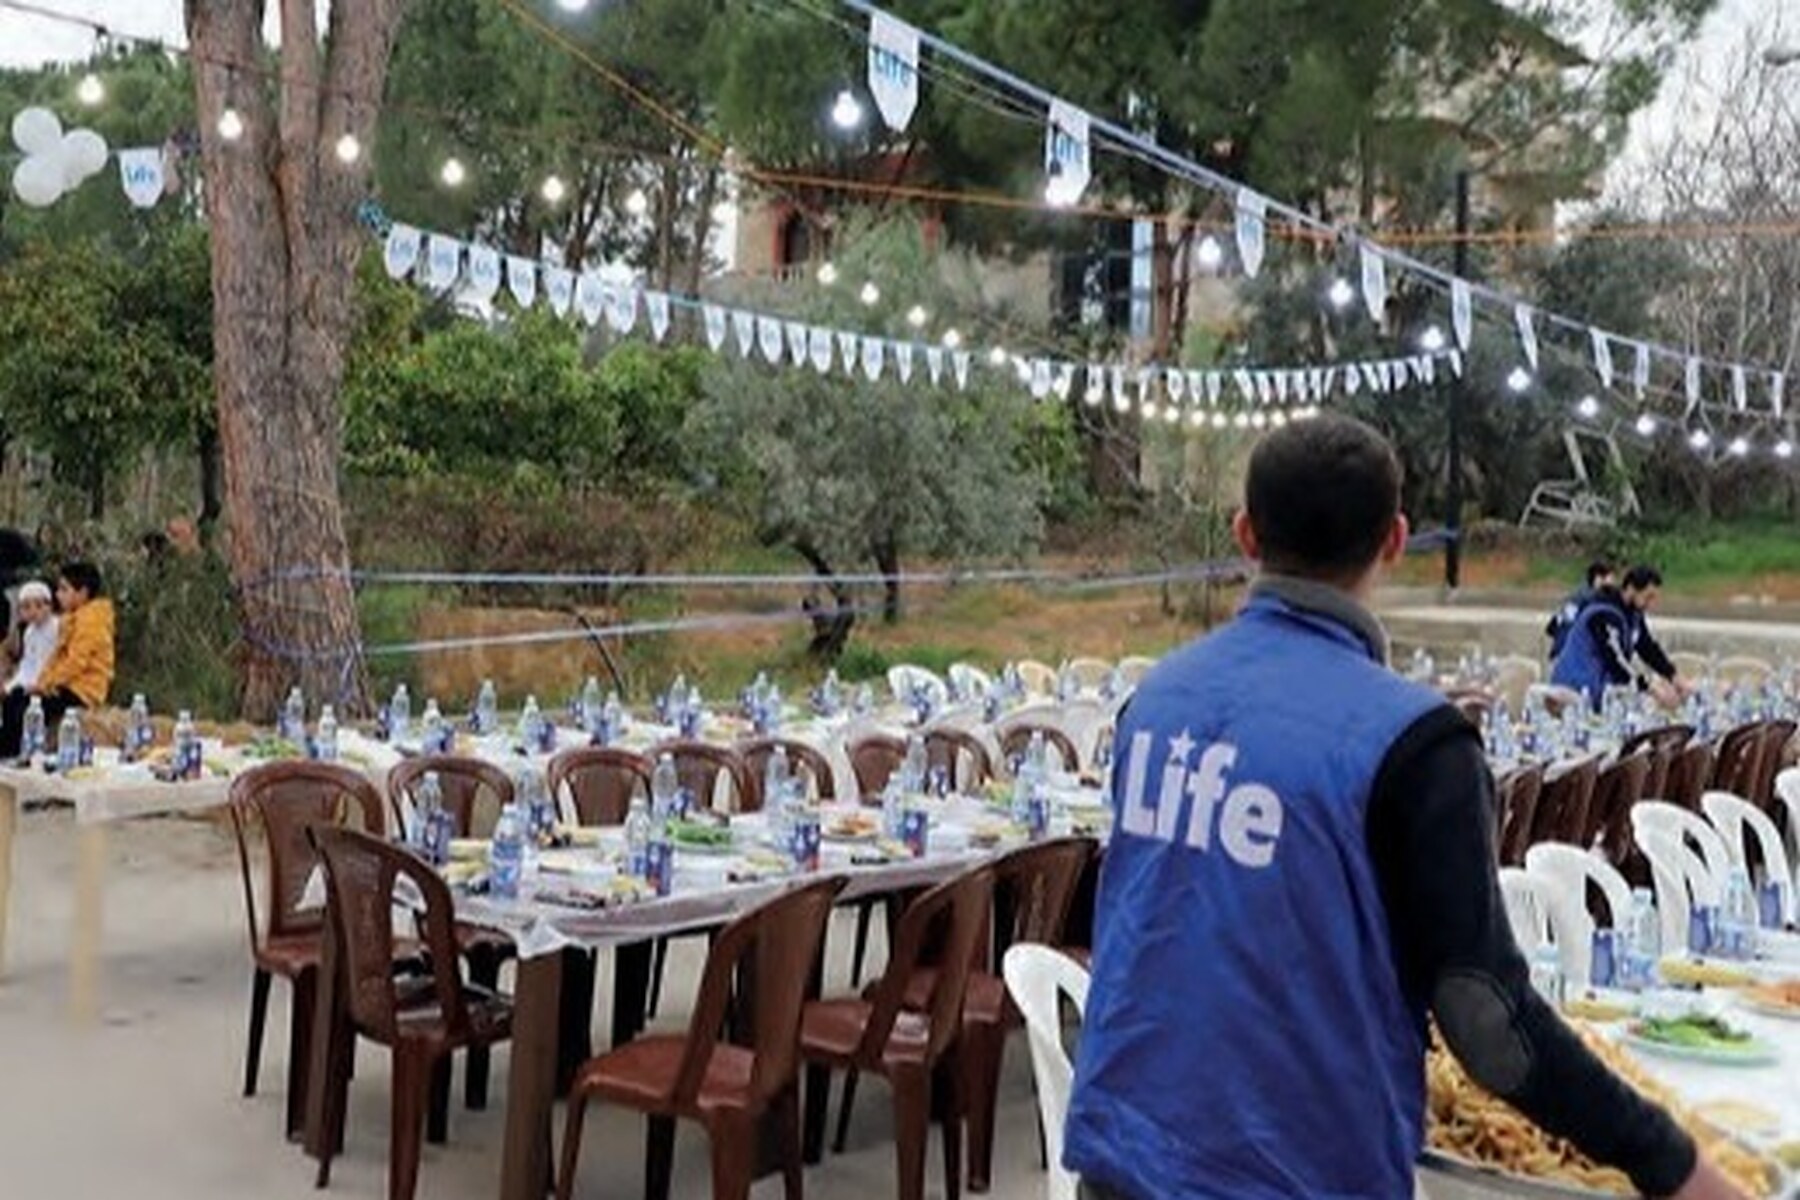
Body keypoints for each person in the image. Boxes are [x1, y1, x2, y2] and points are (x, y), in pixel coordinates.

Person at [1063, 416, 1742, 1200]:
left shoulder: (1154, 701)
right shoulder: (1415, 745)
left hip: (1123, 1162)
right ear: (1395, 540)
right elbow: (1488, 1024)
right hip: (1294, 1173)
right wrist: (1668, 1159)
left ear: (1245, 535)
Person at [0, 562, 115, 757]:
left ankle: (13, 750)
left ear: (82, 593)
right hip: (65, 684)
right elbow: (55, 659)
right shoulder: (72, 619)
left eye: (64, 589)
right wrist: (42, 682)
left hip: (82, 689)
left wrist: (46, 685)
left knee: (27, 706)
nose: (59, 595)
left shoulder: (91, 622)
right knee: (15, 698)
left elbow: (76, 663)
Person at [1551, 564, 1691, 711]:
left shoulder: (1633, 614)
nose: (1650, 604)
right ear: (1631, 588)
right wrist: (1651, 688)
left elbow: (1647, 647)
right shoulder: (1602, 613)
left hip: (1600, 689)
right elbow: (1615, 660)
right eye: (1648, 597)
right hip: (1576, 688)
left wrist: (1673, 676)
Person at [1546, 558, 1615, 660]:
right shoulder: (1587, 598)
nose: (1612, 582)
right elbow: (1566, 625)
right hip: (1568, 653)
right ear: (1598, 578)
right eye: (1609, 578)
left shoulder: (1581, 593)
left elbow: (1553, 626)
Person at [2, 581, 60, 693]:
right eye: (26, 607)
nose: (33, 612)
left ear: (50, 606)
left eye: (39, 606)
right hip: (32, 682)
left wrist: (44, 683)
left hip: (53, 682)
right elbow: (28, 664)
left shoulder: (58, 626)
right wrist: (11, 686)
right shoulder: (29, 632)